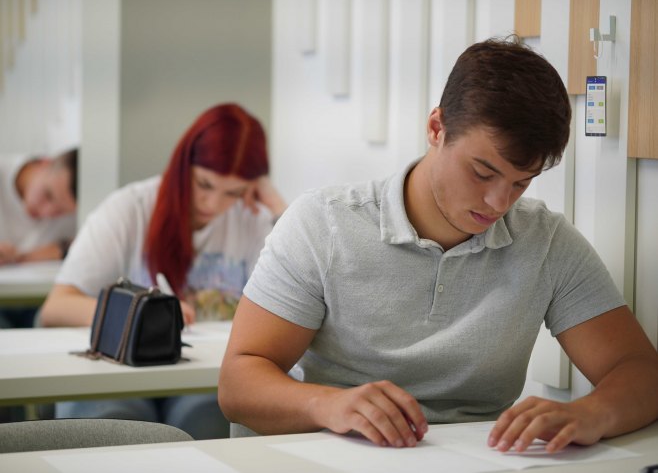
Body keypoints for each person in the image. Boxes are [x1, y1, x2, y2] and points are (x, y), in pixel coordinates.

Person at [218, 38, 658, 453]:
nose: (498, 202)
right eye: (482, 173)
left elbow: (641, 372)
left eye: (521, 183)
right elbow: (238, 384)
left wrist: (591, 413)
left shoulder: (546, 242)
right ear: (435, 128)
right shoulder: (323, 224)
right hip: (328, 452)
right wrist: (326, 405)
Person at [40, 103, 287, 439]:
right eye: (204, 184)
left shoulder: (254, 220)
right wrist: (144, 314)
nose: (213, 204)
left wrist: (278, 207)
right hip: (118, 374)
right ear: (184, 166)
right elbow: (56, 307)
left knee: (211, 425)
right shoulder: (130, 209)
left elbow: (291, 300)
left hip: (203, 379)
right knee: (116, 426)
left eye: (234, 192)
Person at [0, 148, 78, 329]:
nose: (46, 212)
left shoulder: (78, 211)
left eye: (61, 211)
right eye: (48, 195)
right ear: (45, 162)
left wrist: (26, 256)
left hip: (38, 302)